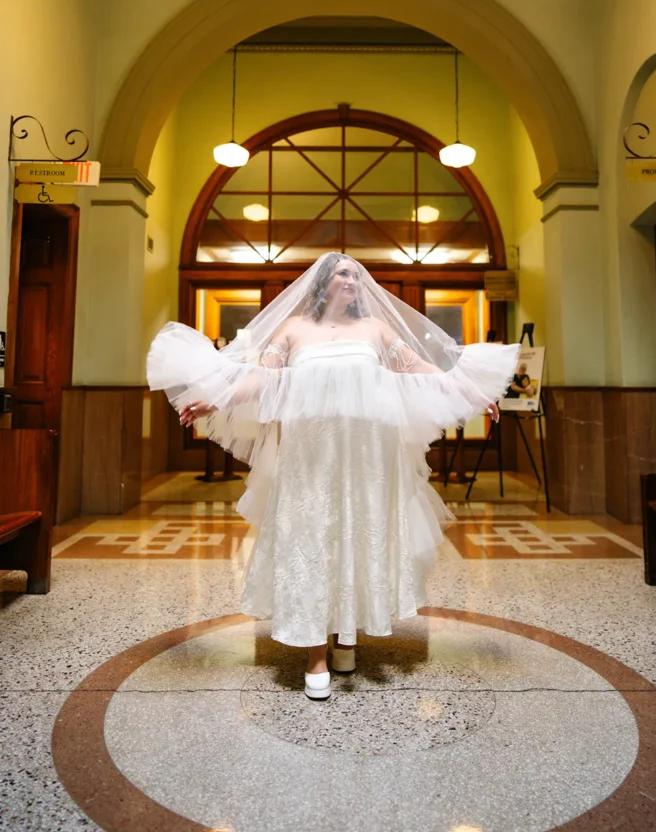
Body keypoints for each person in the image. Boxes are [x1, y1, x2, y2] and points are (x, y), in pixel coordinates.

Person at [147, 253, 518, 700]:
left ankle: (347, 637)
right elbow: (260, 379)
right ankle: (315, 653)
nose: (353, 281)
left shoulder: (376, 331)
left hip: (367, 457)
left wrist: (470, 391)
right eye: (344, 273)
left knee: (356, 537)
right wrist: (213, 399)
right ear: (323, 281)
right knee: (312, 541)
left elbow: (420, 371)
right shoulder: (293, 330)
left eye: (358, 276)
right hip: (310, 457)